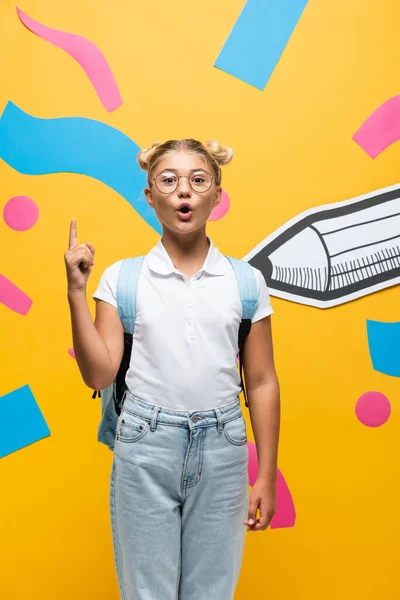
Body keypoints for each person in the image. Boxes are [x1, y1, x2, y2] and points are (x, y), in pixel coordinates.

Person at [64, 138, 280, 600]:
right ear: (149, 195)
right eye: (169, 181)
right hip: (145, 447)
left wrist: (265, 472)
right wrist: (76, 293)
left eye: (198, 180)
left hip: (224, 449)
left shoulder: (245, 282)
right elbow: (99, 376)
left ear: (216, 195)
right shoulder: (121, 279)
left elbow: (261, 380)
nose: (184, 191)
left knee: (211, 593)